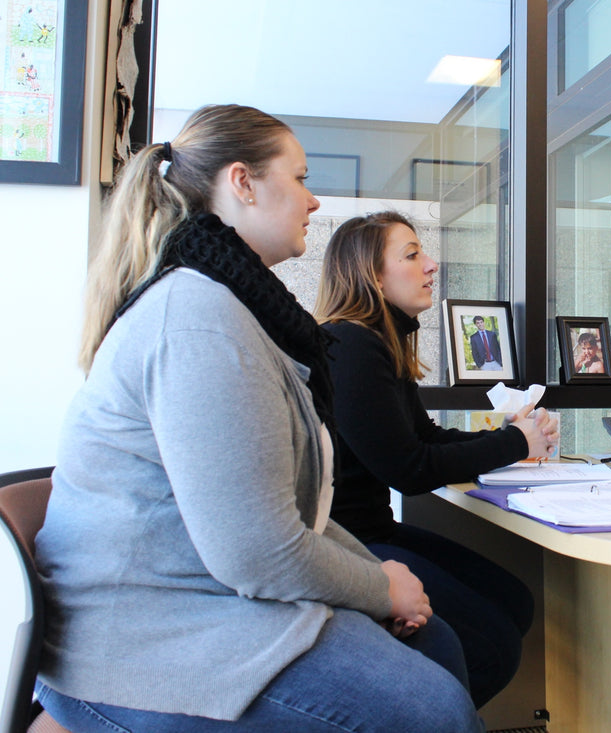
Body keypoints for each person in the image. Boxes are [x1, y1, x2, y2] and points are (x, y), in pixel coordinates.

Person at [33, 105, 481, 732]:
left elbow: (290, 521)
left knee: (439, 646)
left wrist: (379, 575)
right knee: (432, 710)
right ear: (242, 183)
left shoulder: (235, 311)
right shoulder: (197, 319)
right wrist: (381, 588)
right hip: (141, 642)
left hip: (206, 602)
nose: (314, 200)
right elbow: (258, 552)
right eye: (299, 178)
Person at [314, 211, 559, 707]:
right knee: (493, 648)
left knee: (514, 601)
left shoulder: (378, 340)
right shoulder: (351, 344)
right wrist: (516, 444)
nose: (432, 265)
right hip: (352, 543)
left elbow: (424, 437)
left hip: (374, 531)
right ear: (371, 275)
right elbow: (408, 469)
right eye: (412, 255)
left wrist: (515, 438)